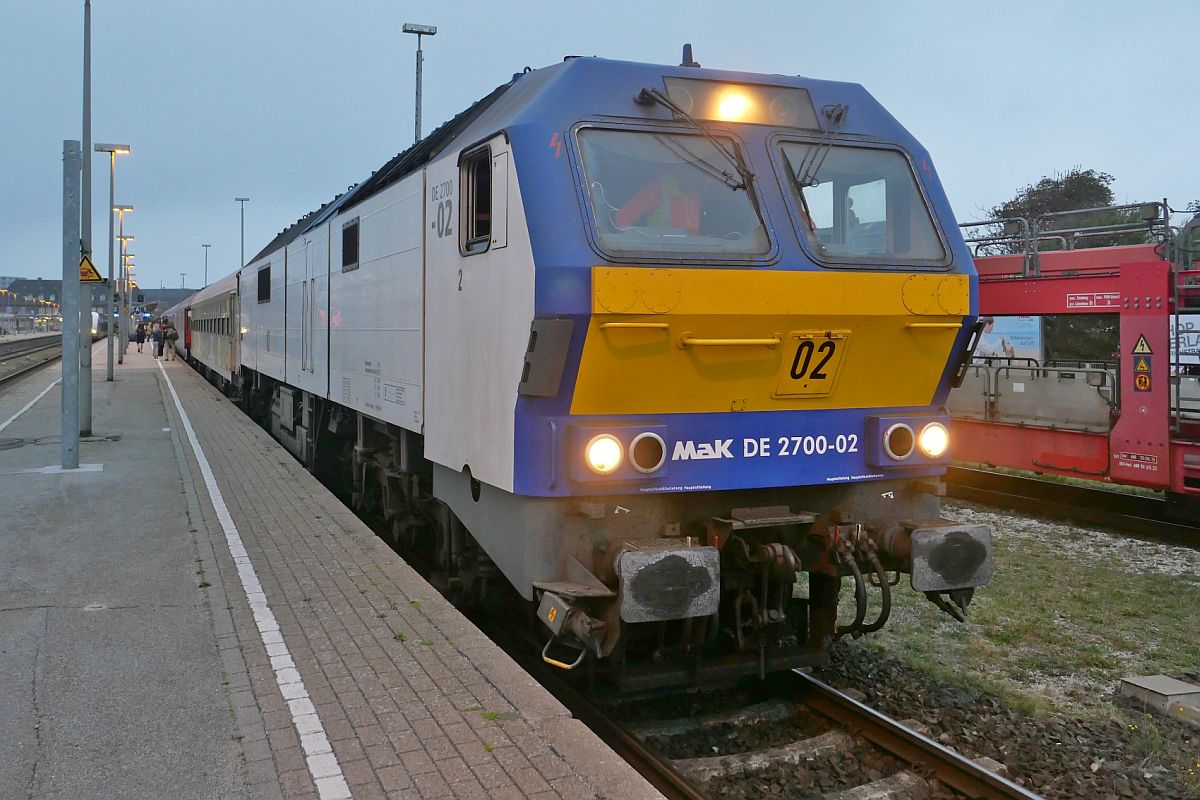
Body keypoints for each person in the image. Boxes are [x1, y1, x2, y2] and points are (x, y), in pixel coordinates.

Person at [615, 168, 703, 234]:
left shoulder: (696, 194)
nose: (697, 177)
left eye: (699, 173)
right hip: (660, 254)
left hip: (692, 253)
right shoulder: (658, 189)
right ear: (679, 170)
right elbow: (623, 217)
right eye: (692, 171)